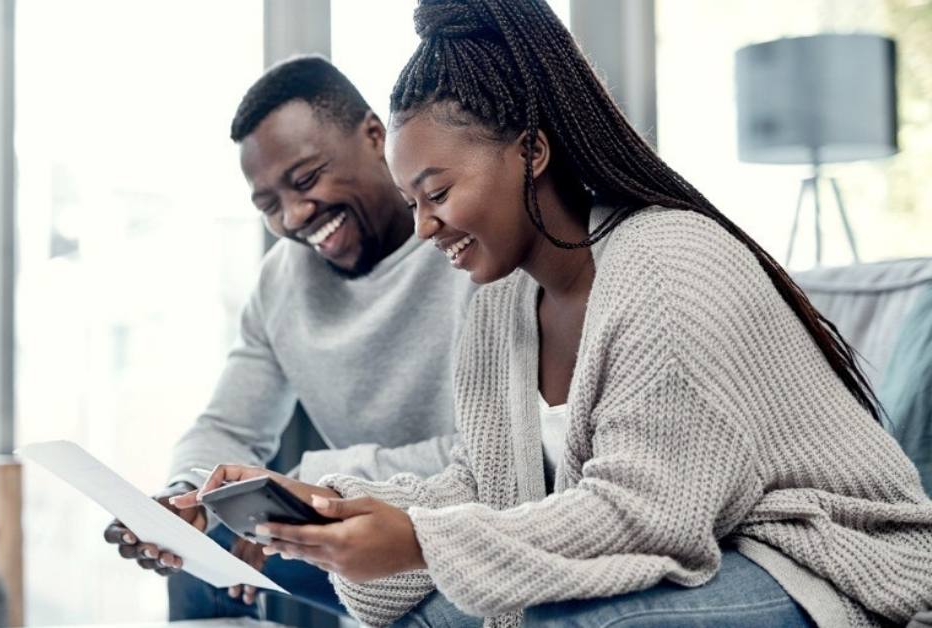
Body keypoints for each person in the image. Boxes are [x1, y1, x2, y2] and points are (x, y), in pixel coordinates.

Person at [173, 1, 932, 626]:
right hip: (705, 543)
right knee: (437, 611)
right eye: (413, 202)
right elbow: (484, 482)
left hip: (814, 557)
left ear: (531, 151)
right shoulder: (499, 302)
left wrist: (420, 542)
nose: (425, 226)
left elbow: (644, 516)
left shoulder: (669, 266)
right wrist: (334, 505)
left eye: (437, 194)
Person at [102, 55, 476, 620]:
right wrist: (183, 500)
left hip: (454, 525)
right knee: (199, 559)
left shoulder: (469, 244)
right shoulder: (282, 280)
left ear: (375, 136)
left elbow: (494, 457)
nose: (296, 215)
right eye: (268, 205)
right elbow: (227, 426)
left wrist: (306, 487)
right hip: (341, 518)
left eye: (305, 180)